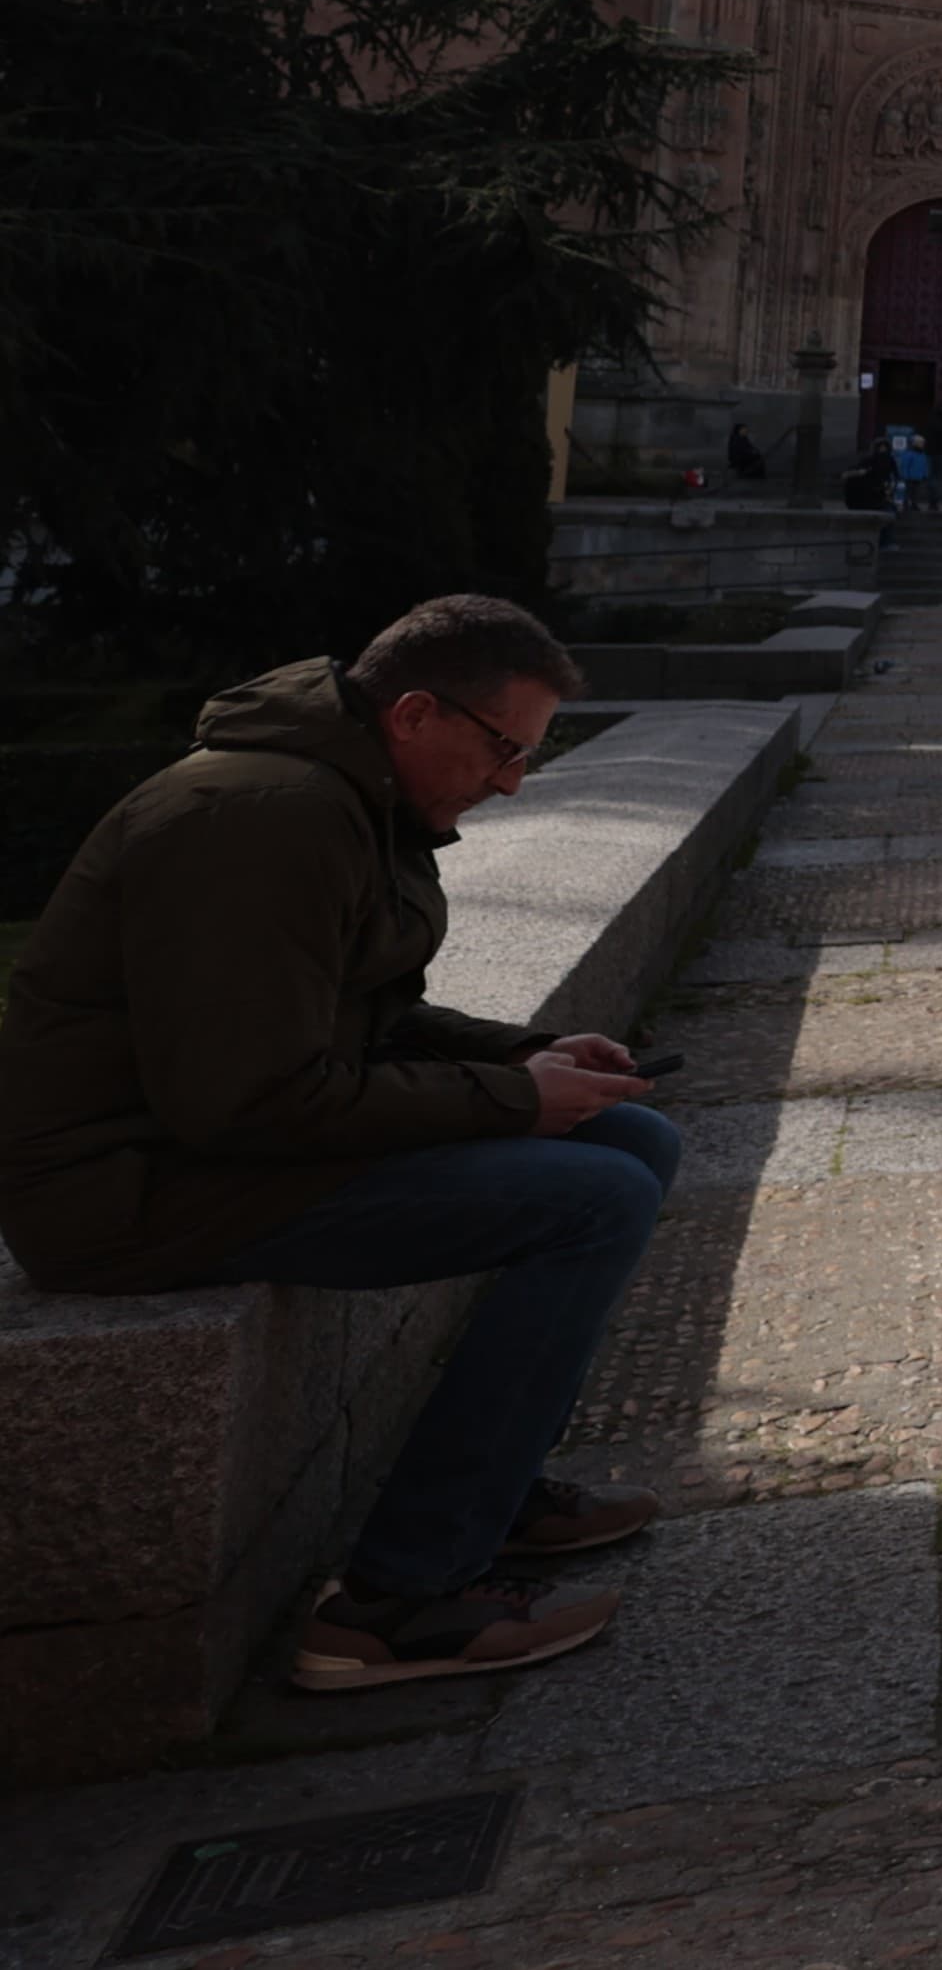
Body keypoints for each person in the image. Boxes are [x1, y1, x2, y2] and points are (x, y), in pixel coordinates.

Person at [0, 595, 677, 1695]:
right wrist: (511, 1106)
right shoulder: (263, 818)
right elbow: (247, 1099)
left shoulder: (350, 798)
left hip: (202, 1156)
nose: (510, 783)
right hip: (130, 1193)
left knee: (632, 1138)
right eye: (504, 750)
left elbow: (364, 1017)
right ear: (415, 713)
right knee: (591, 1197)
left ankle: (490, 1501)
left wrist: (531, 1052)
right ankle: (397, 1605)